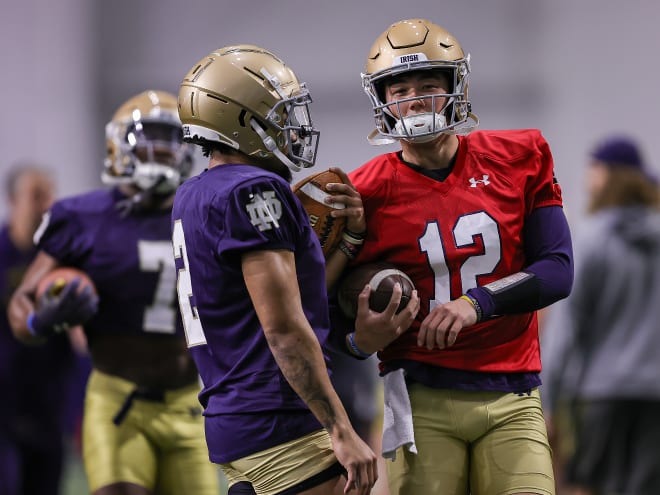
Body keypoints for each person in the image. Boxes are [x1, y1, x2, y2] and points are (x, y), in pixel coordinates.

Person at [335, 18, 574, 495]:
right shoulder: (361, 192)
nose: (415, 99)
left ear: (456, 88)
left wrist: (475, 303)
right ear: (381, 101)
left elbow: (557, 269)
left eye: (428, 85)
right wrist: (360, 341)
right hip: (417, 392)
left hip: (513, 391)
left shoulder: (520, 155)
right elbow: (321, 311)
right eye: (399, 89)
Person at [172, 44, 379, 495]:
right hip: (279, 418)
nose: (292, 126)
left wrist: (349, 240)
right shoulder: (256, 189)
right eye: (279, 114)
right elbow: (284, 328)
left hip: (233, 416)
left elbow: (289, 302)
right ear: (243, 121)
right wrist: (341, 429)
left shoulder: (192, 194)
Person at [7, 90, 220, 495]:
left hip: (190, 403)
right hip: (119, 400)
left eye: (169, 139)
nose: (159, 149)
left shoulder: (203, 211)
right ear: (119, 145)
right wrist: (39, 320)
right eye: (149, 137)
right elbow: (23, 301)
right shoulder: (81, 217)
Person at [541, 135, 660, 495]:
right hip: (655, 394)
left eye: (593, 169)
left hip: (601, 393)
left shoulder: (591, 239)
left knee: (590, 486)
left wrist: (549, 400)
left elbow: (569, 326)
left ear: (608, 175)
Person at [0, 164, 80, 495]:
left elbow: (78, 337)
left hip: (49, 405)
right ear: (13, 200)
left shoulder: (61, 260)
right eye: (36, 195)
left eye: (49, 193)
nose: (47, 203)